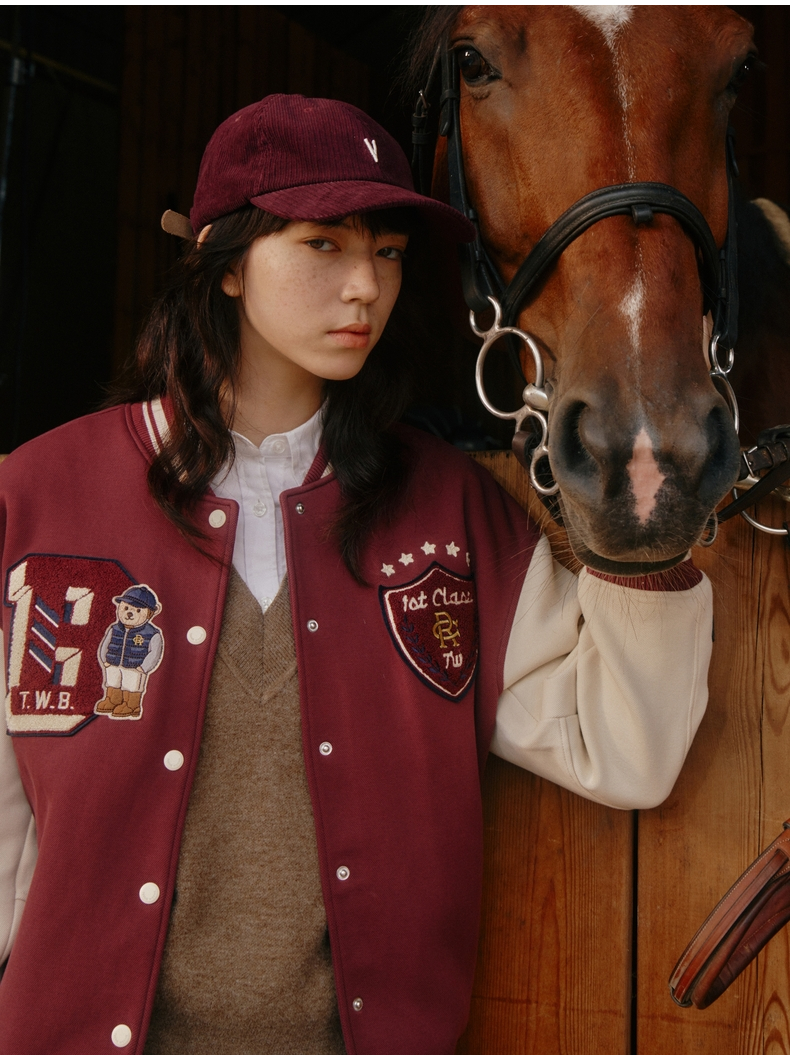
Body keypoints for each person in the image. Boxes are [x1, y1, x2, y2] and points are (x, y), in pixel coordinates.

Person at [0, 95, 712, 1055]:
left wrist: (645, 520)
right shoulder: (36, 496)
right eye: (323, 245)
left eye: (388, 251)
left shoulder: (447, 511)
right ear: (224, 261)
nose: (366, 286)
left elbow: (620, 748)